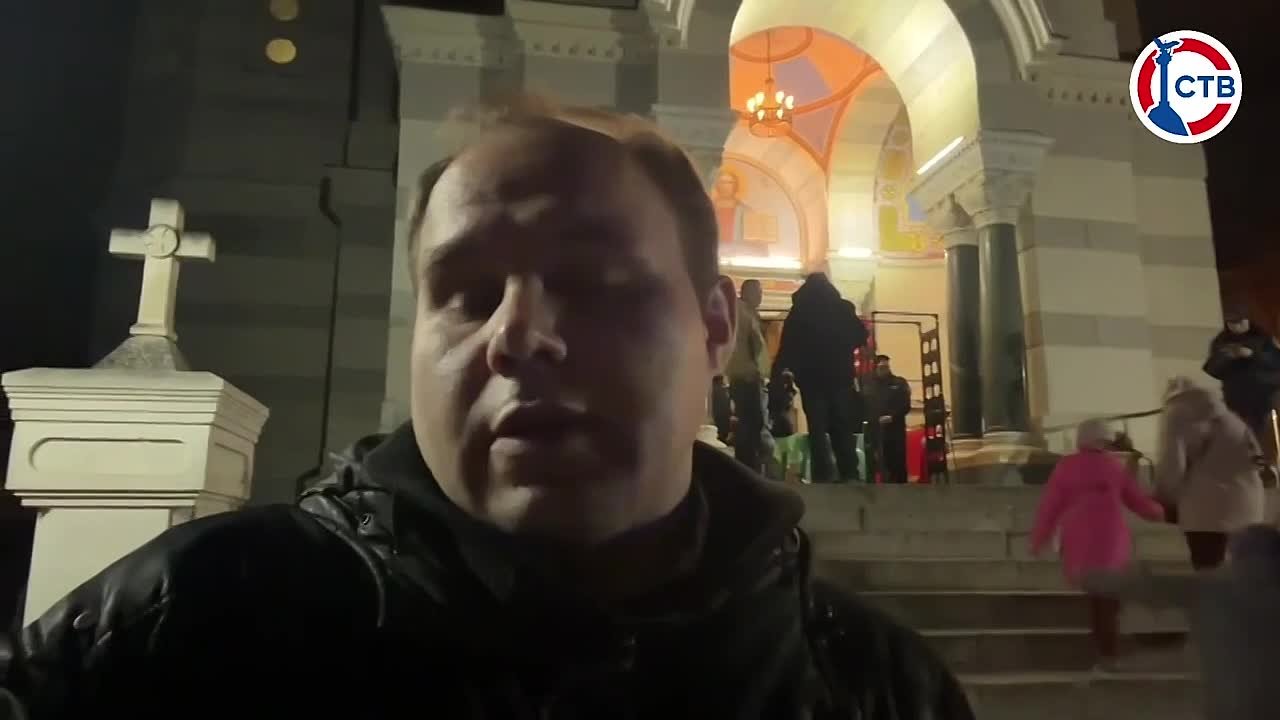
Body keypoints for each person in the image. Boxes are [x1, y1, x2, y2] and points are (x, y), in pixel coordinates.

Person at [0, 99, 973, 718]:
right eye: (465, 293)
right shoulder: (181, 632)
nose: (516, 336)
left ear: (716, 327)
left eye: (591, 282)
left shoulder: (880, 688)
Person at [1083, 523, 1280, 719]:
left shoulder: (1208, 587)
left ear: (1236, 555)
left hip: (1227, 707)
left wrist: (1092, 576)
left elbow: (1145, 587)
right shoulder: (1210, 586)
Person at [1028, 418, 1165, 670]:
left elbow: (1050, 507)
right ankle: (1108, 653)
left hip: (1079, 545)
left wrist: (1039, 539)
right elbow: (1138, 502)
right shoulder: (1113, 467)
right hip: (1111, 543)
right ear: (1104, 440)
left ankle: (1103, 652)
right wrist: (1160, 512)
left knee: (1095, 599)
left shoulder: (1066, 467)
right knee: (1108, 601)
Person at [1157, 377, 1265, 570]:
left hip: (1206, 512)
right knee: (1241, 575)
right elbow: (1255, 458)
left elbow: (1172, 464)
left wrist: (1165, 497)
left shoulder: (1178, 413)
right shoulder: (1231, 418)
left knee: (1208, 573)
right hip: (1248, 508)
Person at [774, 273, 867, 483]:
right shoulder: (842, 308)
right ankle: (849, 472)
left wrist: (780, 370)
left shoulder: (800, 311)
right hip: (840, 378)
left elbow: (787, 345)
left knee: (817, 428)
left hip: (811, 381)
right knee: (842, 426)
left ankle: (823, 474)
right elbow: (861, 335)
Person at [1203, 309, 1280, 445]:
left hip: (1264, 397)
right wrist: (1225, 357)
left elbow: (1275, 361)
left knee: (1262, 437)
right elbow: (1212, 370)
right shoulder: (1221, 341)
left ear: (1247, 320)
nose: (1237, 327)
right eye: (1232, 323)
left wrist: (1252, 354)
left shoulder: (1262, 337)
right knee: (1238, 437)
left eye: (1240, 322)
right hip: (1236, 398)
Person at [724, 278, 770, 473]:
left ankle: (745, 465)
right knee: (752, 423)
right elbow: (757, 346)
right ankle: (749, 467)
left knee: (744, 422)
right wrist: (764, 370)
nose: (760, 297)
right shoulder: (746, 314)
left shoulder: (732, 311)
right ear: (747, 292)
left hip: (734, 374)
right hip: (747, 375)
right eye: (758, 292)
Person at [864, 355, 911, 484]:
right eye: (881, 367)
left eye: (886, 367)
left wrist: (892, 417)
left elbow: (906, 405)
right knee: (875, 464)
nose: (884, 369)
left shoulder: (899, 383)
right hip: (874, 431)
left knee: (897, 463)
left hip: (895, 431)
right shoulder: (868, 384)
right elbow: (863, 405)